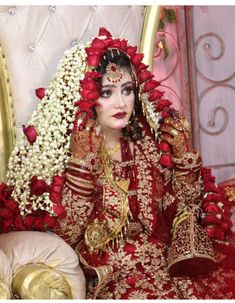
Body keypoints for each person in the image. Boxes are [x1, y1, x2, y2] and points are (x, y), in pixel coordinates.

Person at [2, 27, 235, 299]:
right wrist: (80, 168)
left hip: (166, 258)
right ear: (87, 97)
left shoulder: (146, 144)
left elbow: (183, 211)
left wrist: (183, 159)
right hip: (113, 270)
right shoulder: (74, 152)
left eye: (127, 90)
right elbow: (65, 236)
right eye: (107, 93)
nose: (121, 102)